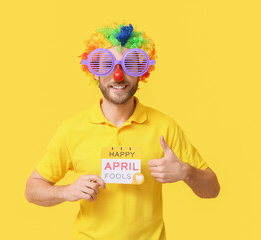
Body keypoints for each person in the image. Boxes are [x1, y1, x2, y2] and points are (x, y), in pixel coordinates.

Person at [24, 22, 220, 240]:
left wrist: (186, 171)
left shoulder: (164, 126)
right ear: (94, 72)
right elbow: (32, 188)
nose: (118, 75)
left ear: (141, 73)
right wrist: (66, 191)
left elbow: (212, 188)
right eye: (107, 65)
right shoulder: (72, 130)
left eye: (130, 65)